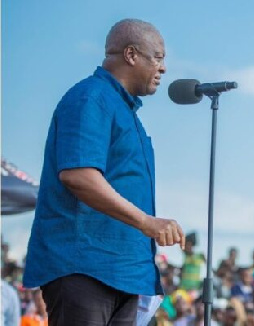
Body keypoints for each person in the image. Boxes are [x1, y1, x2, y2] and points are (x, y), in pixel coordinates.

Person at [22, 18, 185, 325]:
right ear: (132, 55)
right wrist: (146, 222)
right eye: (158, 58)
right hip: (86, 267)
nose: (163, 68)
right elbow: (79, 176)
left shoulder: (126, 111)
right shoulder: (91, 97)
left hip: (128, 273)